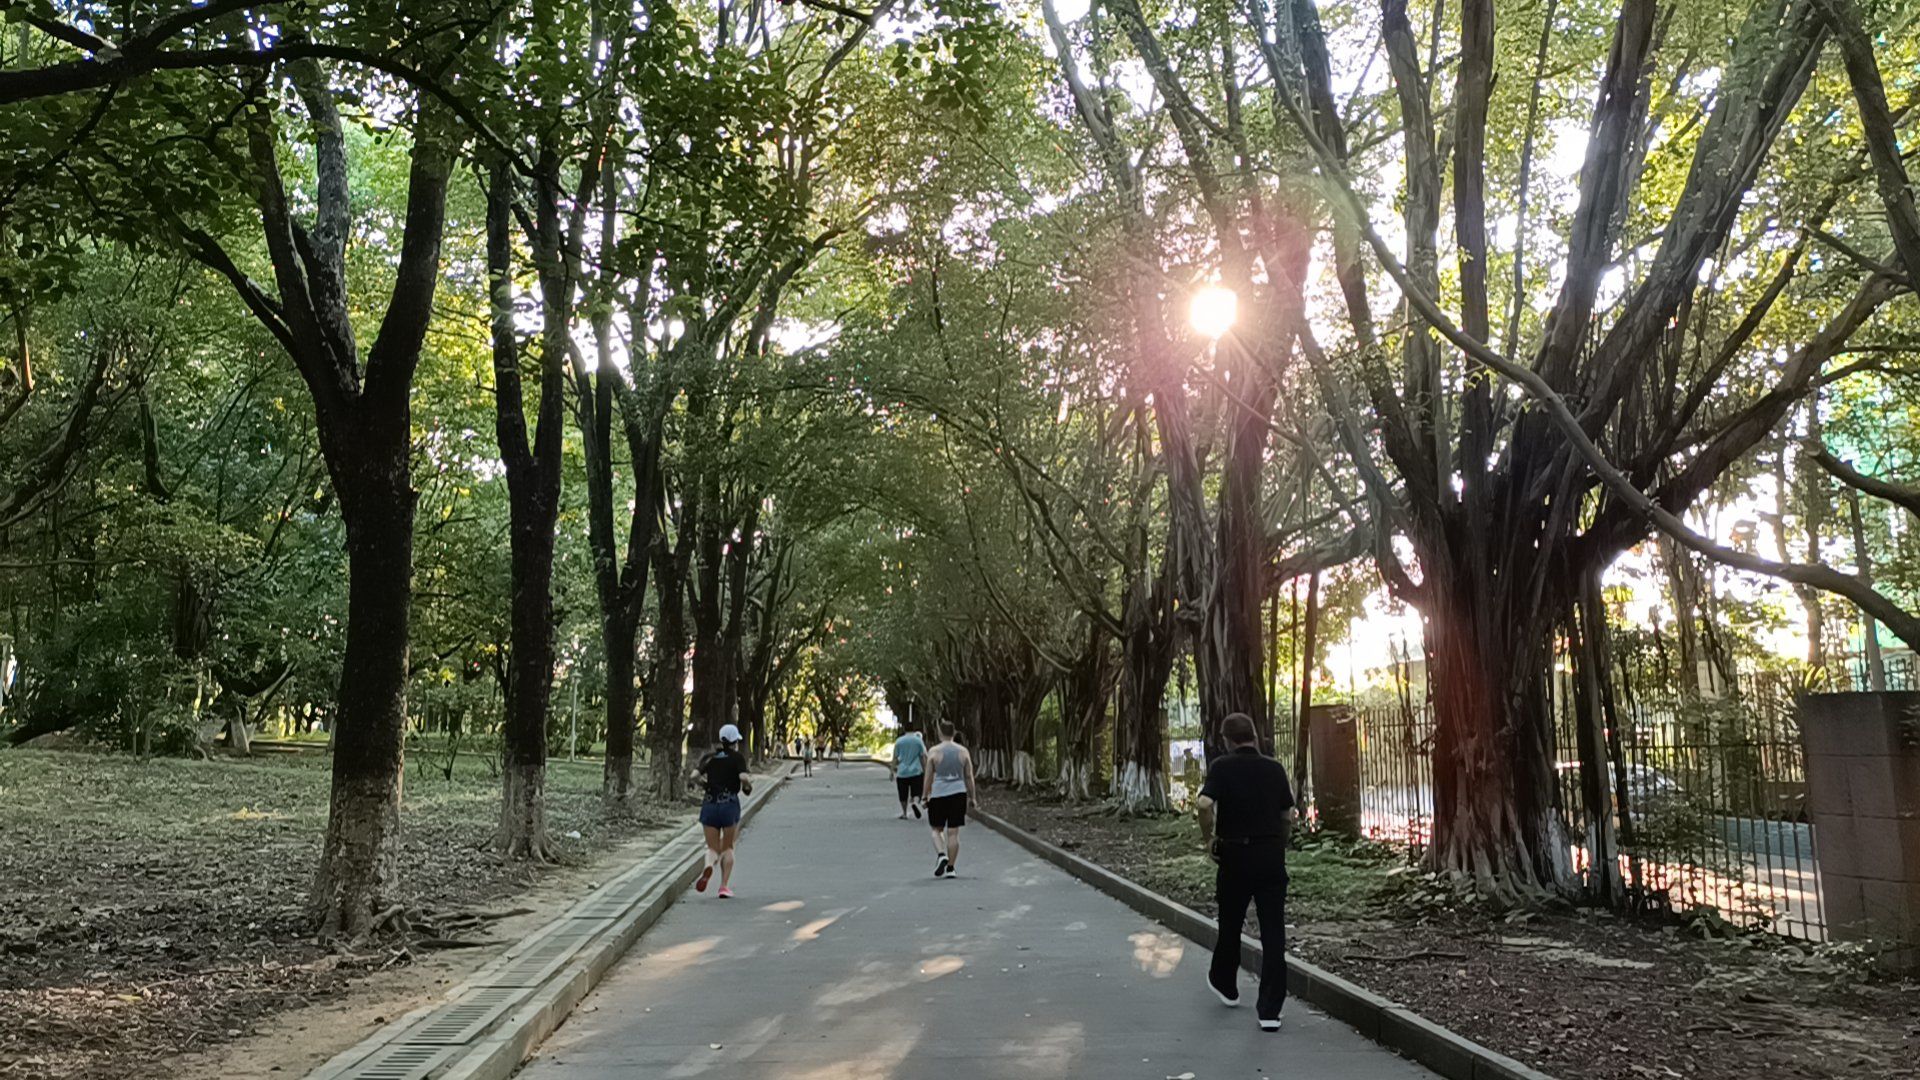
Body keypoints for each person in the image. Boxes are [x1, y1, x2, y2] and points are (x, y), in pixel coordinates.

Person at [1196, 712, 1294, 1032]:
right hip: (1270, 855)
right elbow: (1287, 815)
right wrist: (1280, 842)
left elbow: (1203, 804)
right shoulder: (1274, 768)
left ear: (1226, 740)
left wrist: (1208, 838)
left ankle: (1225, 983)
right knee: (1273, 933)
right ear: (1254, 735)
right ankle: (1270, 1011)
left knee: (1231, 923)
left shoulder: (1222, 767)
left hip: (1235, 855)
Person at [694, 724, 753, 899]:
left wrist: (705, 785)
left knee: (712, 848)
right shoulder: (737, 758)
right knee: (728, 848)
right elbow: (743, 777)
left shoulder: (710, 757)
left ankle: (709, 865)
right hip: (728, 805)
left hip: (710, 804)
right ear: (735, 741)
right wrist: (748, 784)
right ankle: (723, 887)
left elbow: (693, 776)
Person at [921, 720, 978, 879]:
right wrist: (972, 797)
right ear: (954, 734)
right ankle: (951, 868)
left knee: (936, 830)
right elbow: (969, 776)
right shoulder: (963, 752)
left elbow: (928, 777)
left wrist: (925, 796)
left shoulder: (934, 751)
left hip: (939, 794)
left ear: (940, 733)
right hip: (958, 794)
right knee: (953, 832)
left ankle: (941, 855)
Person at [890, 720, 928, 820]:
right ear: (913, 729)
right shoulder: (918, 740)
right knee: (917, 792)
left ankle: (904, 813)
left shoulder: (899, 741)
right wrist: (926, 770)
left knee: (903, 794)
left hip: (902, 772)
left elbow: (895, 757)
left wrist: (891, 771)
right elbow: (923, 756)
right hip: (916, 771)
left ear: (904, 729)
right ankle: (915, 802)